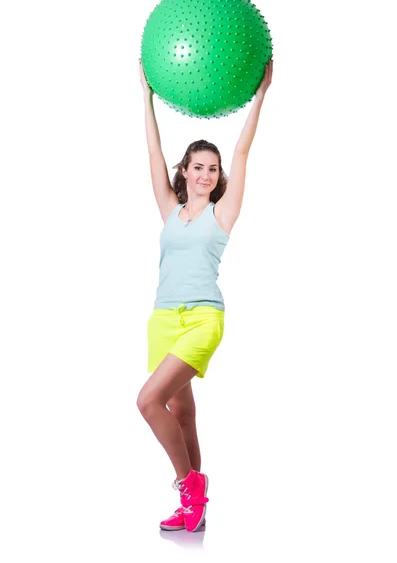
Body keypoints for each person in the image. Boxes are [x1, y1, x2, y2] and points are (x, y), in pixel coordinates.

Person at [137, 57, 273, 532]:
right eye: (199, 167)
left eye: (212, 169)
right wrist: (147, 98)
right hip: (163, 318)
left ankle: (187, 485)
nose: (207, 174)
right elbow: (154, 155)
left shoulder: (223, 215)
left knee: (147, 401)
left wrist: (260, 96)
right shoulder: (170, 210)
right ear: (186, 170)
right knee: (182, 410)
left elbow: (241, 154)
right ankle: (197, 511)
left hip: (202, 319)